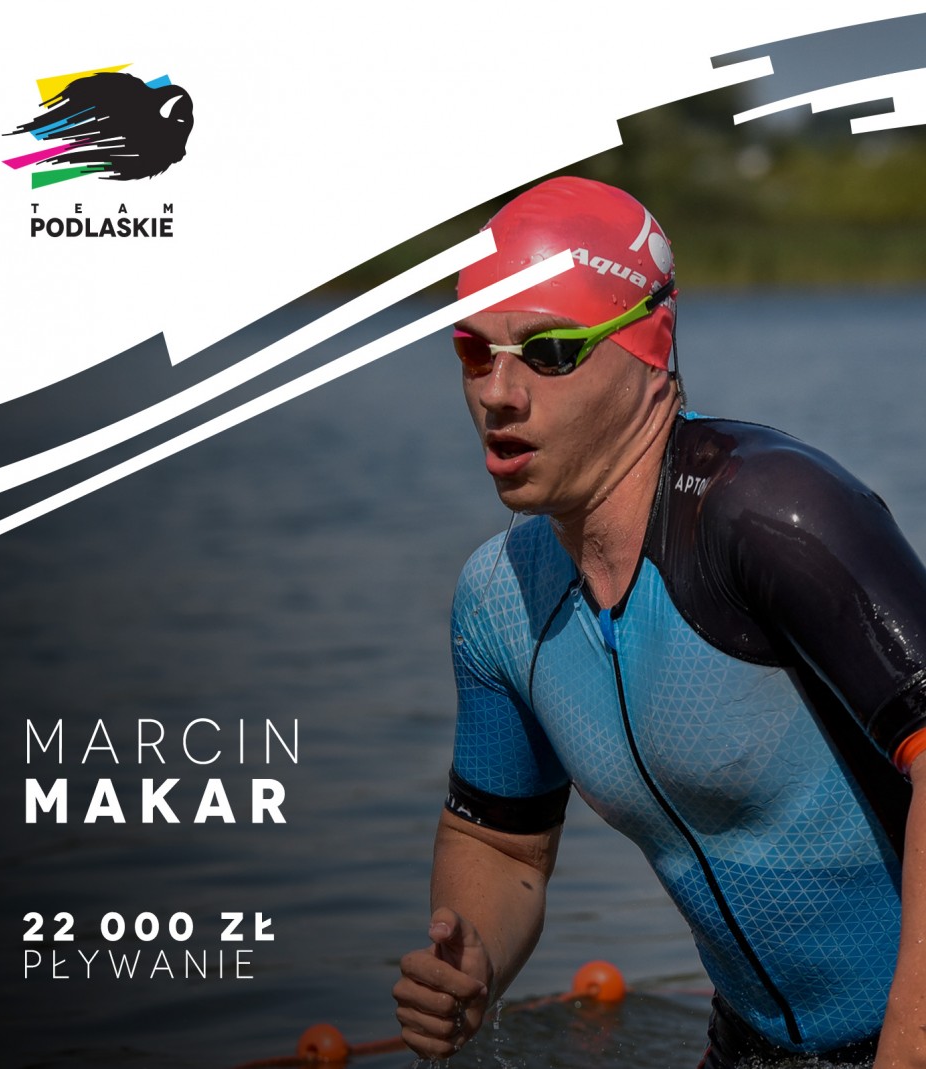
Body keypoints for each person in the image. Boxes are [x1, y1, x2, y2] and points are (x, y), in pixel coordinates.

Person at [392, 176, 926, 1068]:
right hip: (753, 1049)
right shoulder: (499, 601)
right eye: (475, 352)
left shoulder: (771, 513)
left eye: (550, 351)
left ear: (652, 342)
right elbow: (500, 843)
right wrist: (473, 959)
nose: (499, 393)